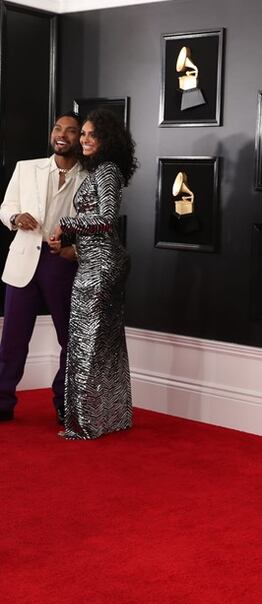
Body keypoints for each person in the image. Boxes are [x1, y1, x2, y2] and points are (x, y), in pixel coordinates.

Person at [48, 108, 135, 440]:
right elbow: (96, 221)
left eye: (91, 134)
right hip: (94, 261)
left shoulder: (107, 171)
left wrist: (65, 223)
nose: (83, 139)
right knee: (103, 341)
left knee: (87, 341)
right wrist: (70, 238)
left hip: (101, 266)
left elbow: (107, 219)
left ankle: (86, 423)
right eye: (82, 133)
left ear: (106, 139)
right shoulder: (100, 170)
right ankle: (110, 418)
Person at [0, 113, 88, 424]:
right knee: (13, 339)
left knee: (71, 339)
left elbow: (97, 227)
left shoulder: (89, 178)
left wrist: (74, 250)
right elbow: (6, 207)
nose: (62, 135)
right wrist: (15, 218)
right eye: (57, 128)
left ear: (81, 138)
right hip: (24, 259)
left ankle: (65, 401)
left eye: (71, 131)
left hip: (61, 262)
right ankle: (2, 401)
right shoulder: (26, 168)